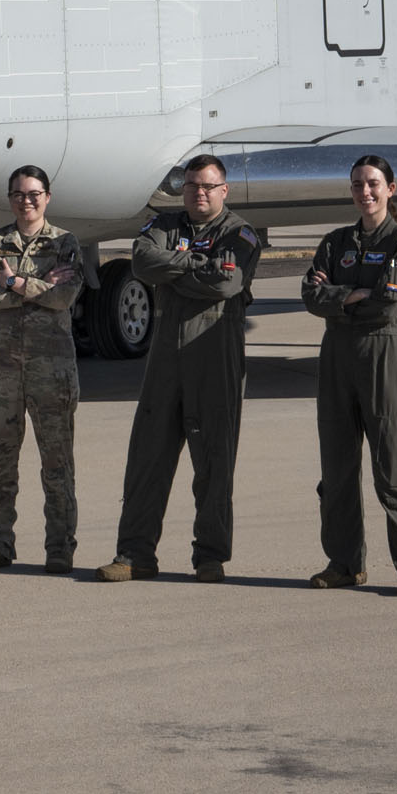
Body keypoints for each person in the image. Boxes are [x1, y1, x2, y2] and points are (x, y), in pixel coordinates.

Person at [98, 154, 265, 584]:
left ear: (223, 190)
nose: (200, 193)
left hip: (214, 355)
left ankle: (209, 556)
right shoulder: (164, 226)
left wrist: (174, 270)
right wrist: (197, 267)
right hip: (165, 360)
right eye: (192, 185)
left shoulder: (239, 233)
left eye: (208, 186)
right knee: (147, 458)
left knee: (213, 461)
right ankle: (135, 554)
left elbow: (226, 283)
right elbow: (141, 263)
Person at [300, 154, 397, 595]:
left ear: (390, 189)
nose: (365, 192)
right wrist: (355, 294)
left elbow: (390, 303)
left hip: (382, 352)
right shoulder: (336, 242)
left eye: (373, 183)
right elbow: (310, 295)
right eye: (358, 184)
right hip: (335, 356)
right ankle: (343, 562)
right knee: (336, 466)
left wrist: (340, 297)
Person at [0, 165, 87, 573]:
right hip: (1, 372)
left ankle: (59, 547)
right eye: (19, 194)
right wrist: (38, 286)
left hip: (51, 371)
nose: (27, 200)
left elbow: (64, 297)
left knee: (57, 464)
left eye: (35, 193)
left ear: (47, 197)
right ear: (10, 199)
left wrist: (16, 283)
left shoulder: (66, 243)